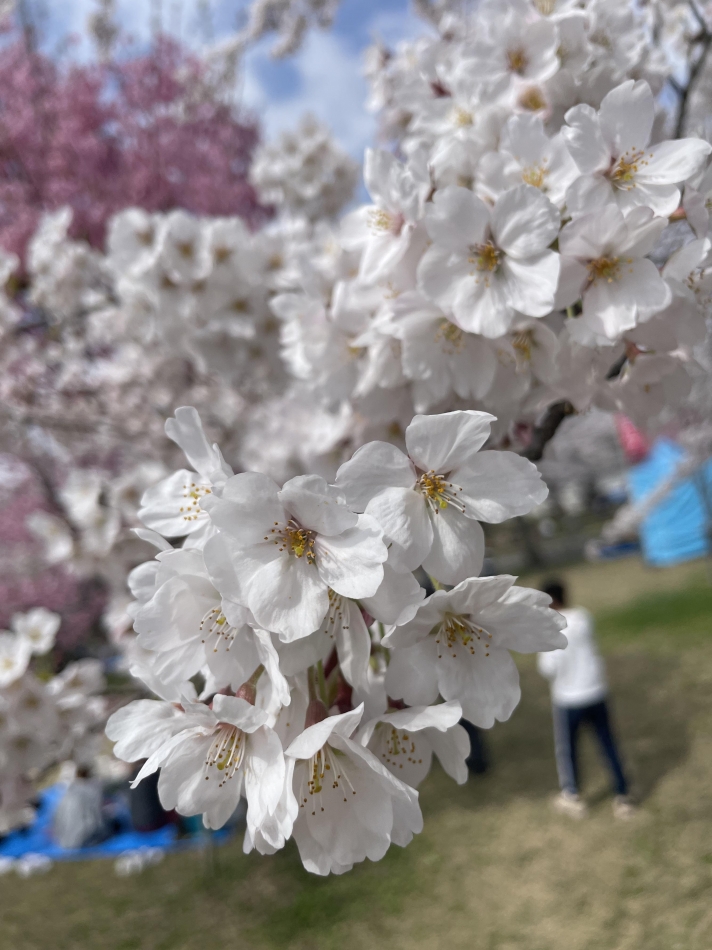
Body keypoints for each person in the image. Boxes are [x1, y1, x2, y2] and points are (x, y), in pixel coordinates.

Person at [537, 579, 635, 820]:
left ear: (550, 601)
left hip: (569, 699)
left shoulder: (549, 628)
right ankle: (623, 796)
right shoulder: (583, 616)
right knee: (608, 743)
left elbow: (548, 668)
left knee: (568, 748)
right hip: (595, 691)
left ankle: (572, 795)